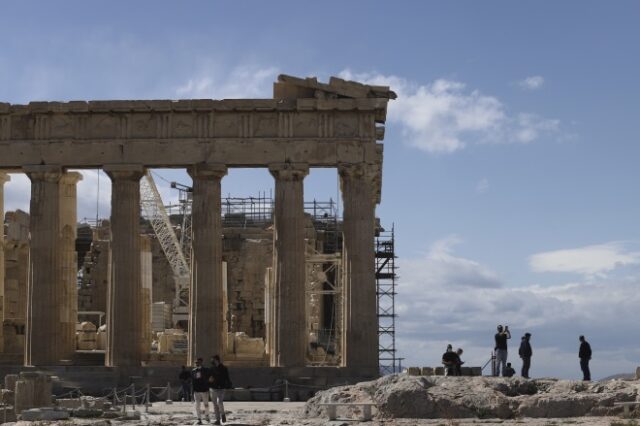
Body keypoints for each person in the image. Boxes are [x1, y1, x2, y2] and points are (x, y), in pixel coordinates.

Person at [209, 355, 232, 425]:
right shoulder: (212, 368)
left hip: (221, 388)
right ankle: (218, 420)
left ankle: (223, 414)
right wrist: (209, 381)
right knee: (215, 405)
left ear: (216, 360)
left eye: (213, 360)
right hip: (213, 388)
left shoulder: (224, 368)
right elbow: (210, 378)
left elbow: (227, 377)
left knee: (219, 402)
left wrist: (229, 385)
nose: (212, 361)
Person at [191, 358, 211, 424]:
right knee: (197, 405)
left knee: (206, 404)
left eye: (198, 362)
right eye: (196, 363)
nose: (197, 364)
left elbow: (209, 379)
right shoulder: (194, 371)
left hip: (204, 390)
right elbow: (193, 381)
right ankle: (199, 418)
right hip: (196, 391)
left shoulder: (206, 370)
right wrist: (192, 392)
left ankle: (207, 415)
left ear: (201, 363)